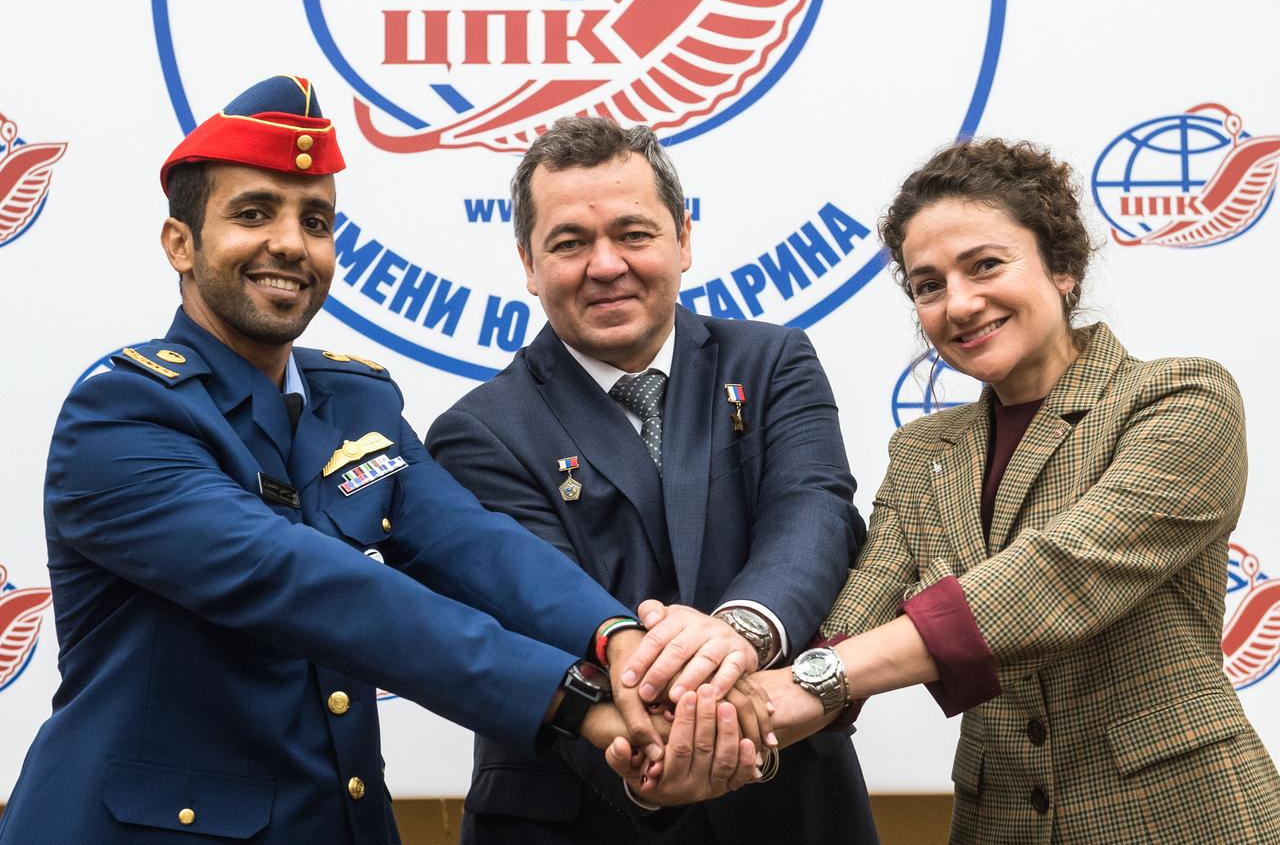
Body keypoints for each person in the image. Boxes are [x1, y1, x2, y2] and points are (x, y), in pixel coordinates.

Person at [0, 76, 751, 845]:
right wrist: (574, 701)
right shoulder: (123, 414)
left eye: (315, 220)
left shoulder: (353, 402)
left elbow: (473, 544)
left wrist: (615, 638)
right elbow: (307, 584)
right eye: (253, 212)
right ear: (180, 244)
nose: (290, 242)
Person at [730, 138, 1280, 843]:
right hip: (1000, 820)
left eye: (985, 265)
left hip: (1181, 815)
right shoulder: (923, 449)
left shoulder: (1180, 397)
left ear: (1064, 267)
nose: (958, 303)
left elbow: (1061, 573)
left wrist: (816, 679)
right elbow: (859, 608)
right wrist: (731, 701)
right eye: (928, 285)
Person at [425, 115, 877, 844]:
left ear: (683, 239)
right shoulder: (476, 432)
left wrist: (740, 632)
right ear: (528, 265)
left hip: (793, 805)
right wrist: (662, 742)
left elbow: (813, 513)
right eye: (569, 243)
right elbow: (538, 606)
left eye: (633, 233)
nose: (605, 265)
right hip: (587, 807)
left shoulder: (773, 363)